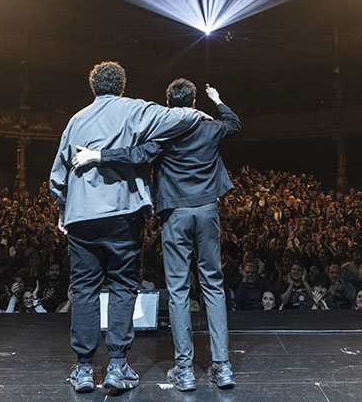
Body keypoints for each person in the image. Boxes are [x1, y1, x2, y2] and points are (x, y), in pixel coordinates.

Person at [74, 80, 240, 391]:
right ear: (193, 104)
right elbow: (234, 123)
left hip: (175, 215)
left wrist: (96, 156)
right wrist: (216, 101)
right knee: (213, 286)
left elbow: (134, 155)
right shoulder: (211, 127)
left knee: (178, 291)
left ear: (168, 107)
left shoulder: (164, 134)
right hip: (206, 213)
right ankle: (223, 368)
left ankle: (185, 371)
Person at [49, 61, 202, 394]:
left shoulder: (75, 120)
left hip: (82, 217)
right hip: (123, 214)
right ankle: (117, 367)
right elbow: (181, 116)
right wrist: (197, 114)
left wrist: (62, 208)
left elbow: (57, 177)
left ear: (94, 87)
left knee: (85, 289)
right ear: (121, 85)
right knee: (122, 287)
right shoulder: (135, 109)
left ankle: (85, 369)